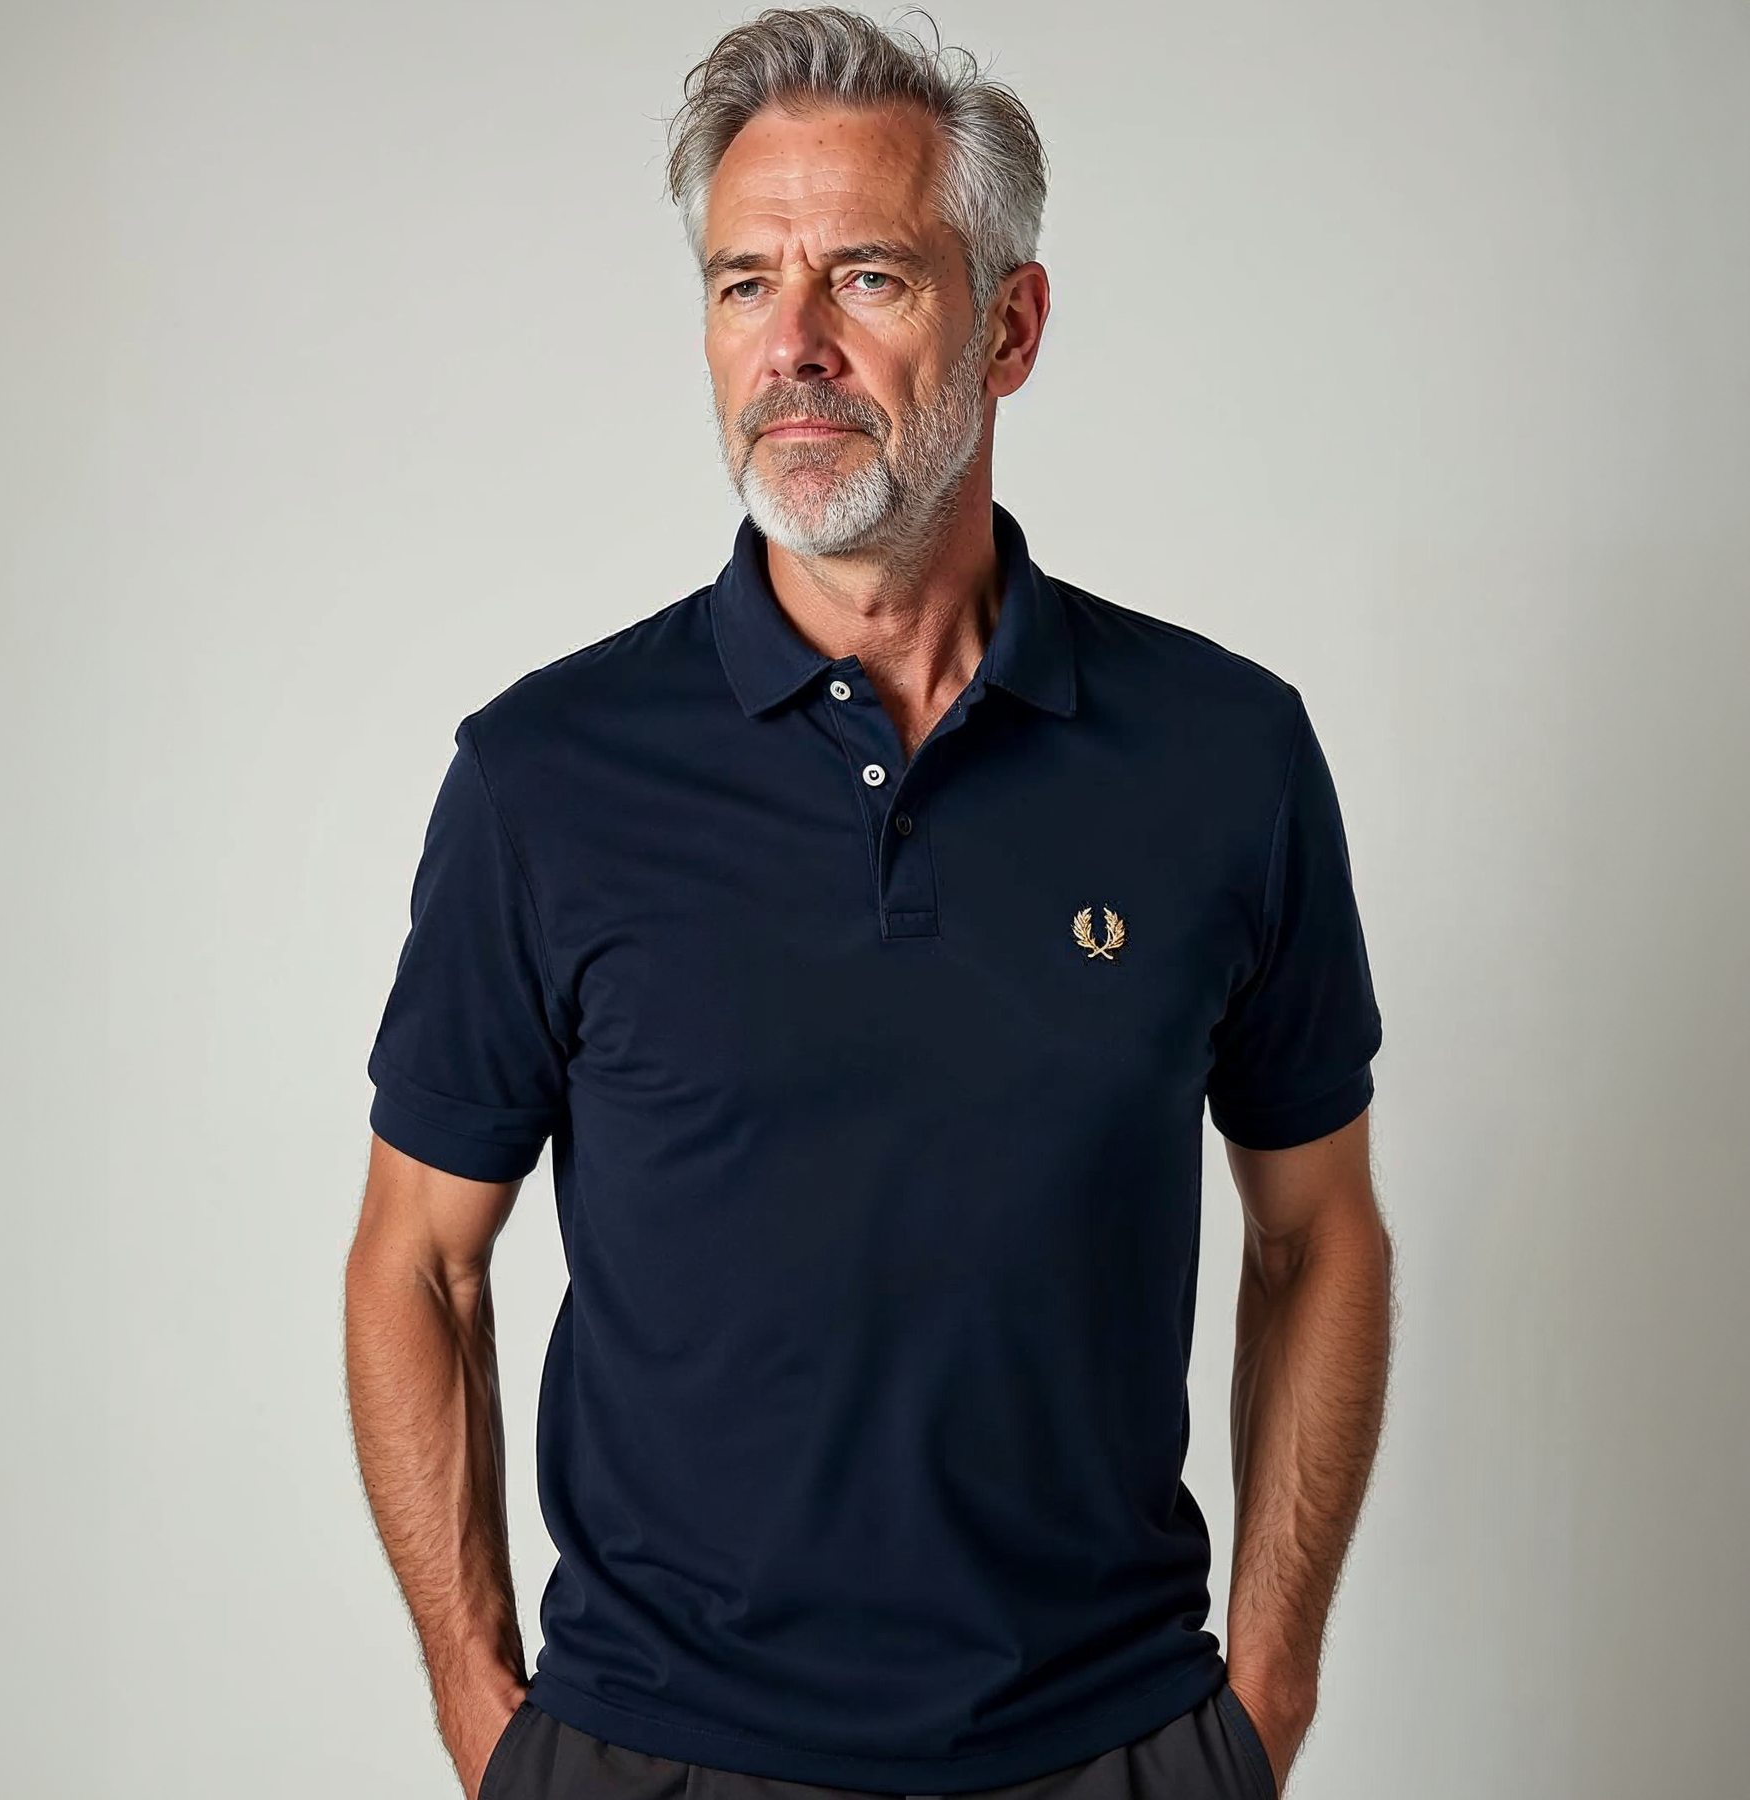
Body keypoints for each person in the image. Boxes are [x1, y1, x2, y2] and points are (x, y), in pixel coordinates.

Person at [343, 9, 1393, 1797]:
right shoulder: (546, 776)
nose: (796, 344)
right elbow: (417, 1264)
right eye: (744, 282)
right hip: (653, 1752)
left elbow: (1317, 1236)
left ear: (1012, 326)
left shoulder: (1225, 754)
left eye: (870, 277)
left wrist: (1267, 1692)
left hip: (1110, 1746)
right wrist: (479, 1704)